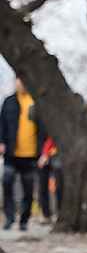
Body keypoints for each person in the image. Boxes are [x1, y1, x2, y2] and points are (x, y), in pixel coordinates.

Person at [0, 77, 45, 231]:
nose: (22, 83)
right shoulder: (9, 101)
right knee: (7, 181)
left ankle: (24, 219)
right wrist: (1, 142)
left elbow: (44, 129)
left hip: (30, 154)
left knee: (28, 188)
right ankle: (9, 216)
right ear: (15, 81)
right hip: (11, 153)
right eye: (19, 79)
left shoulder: (36, 101)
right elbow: (2, 124)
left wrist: (43, 153)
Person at [37, 136, 63, 224]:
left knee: (60, 186)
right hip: (41, 151)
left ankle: (60, 212)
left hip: (57, 153)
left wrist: (45, 152)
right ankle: (46, 215)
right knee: (42, 186)